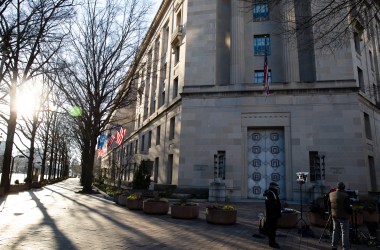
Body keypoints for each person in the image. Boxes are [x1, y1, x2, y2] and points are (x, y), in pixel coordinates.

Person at [329, 182, 352, 250]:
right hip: (343, 216)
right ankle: (345, 248)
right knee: (344, 232)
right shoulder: (345, 196)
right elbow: (347, 207)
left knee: (335, 230)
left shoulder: (331, 194)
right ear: (343, 187)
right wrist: (351, 212)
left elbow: (328, 204)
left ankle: (334, 246)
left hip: (334, 215)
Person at [263, 182, 282, 249]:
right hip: (272, 215)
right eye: (276, 187)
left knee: (273, 229)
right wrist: (274, 214)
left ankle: (273, 242)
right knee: (272, 229)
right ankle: (272, 243)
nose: (277, 188)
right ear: (273, 187)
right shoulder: (270, 193)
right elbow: (271, 205)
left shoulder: (272, 193)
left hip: (273, 215)